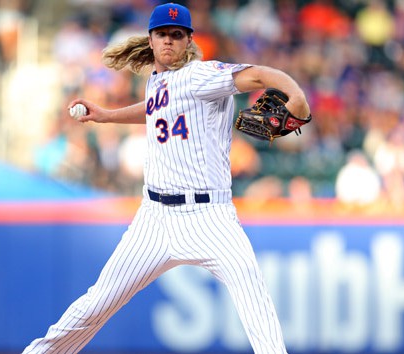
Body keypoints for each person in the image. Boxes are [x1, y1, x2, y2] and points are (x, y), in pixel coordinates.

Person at [23, 3, 310, 353]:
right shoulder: (157, 81)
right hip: (155, 218)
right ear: (152, 38)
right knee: (95, 305)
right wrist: (107, 116)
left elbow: (261, 75)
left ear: (188, 40)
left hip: (210, 218)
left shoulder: (202, 75)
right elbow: (155, 108)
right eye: (163, 34)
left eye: (177, 35)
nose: (170, 41)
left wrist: (295, 93)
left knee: (256, 306)